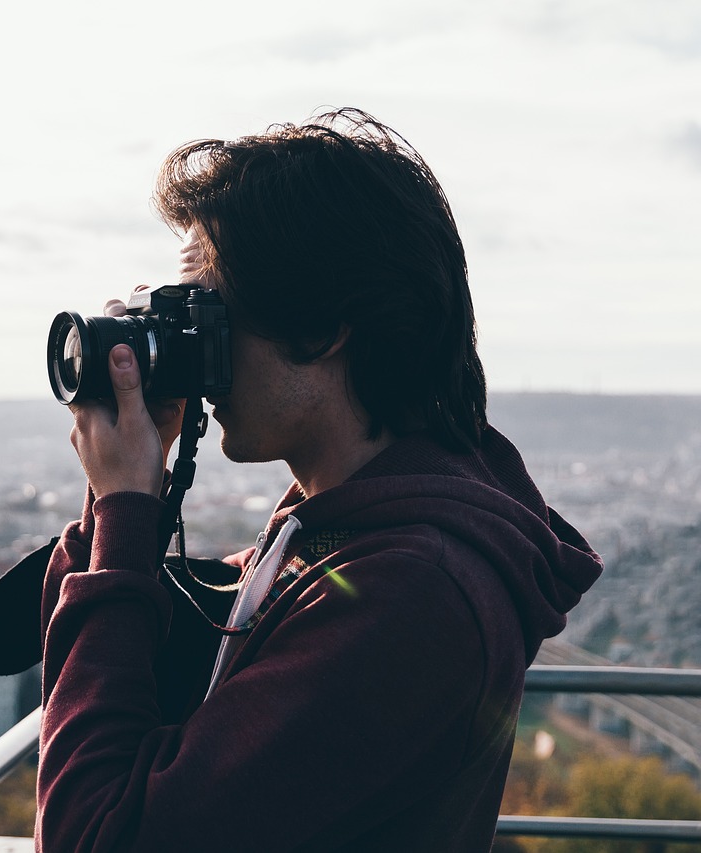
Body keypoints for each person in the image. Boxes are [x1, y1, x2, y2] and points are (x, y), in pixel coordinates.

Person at [35, 109, 603, 851]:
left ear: (323, 327)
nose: (198, 351)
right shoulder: (341, 526)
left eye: (210, 315)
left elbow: (93, 836)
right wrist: (119, 498)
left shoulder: (411, 591)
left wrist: (124, 507)